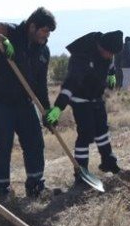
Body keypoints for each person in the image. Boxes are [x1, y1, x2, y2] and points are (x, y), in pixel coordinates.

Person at [0, 7, 55, 199]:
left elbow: (40, 85)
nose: (46, 36)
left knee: (35, 141)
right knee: (3, 144)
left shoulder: (43, 50)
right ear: (33, 26)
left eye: (49, 33)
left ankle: (36, 185)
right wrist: (0, 39)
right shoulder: (9, 30)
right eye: (44, 31)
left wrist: (47, 111)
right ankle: (0, 190)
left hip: (24, 102)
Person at [45, 31, 124, 181]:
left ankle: (108, 161)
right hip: (80, 99)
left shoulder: (107, 52)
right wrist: (58, 107)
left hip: (96, 97)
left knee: (102, 130)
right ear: (101, 47)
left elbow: (110, 62)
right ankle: (81, 171)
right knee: (86, 134)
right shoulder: (81, 57)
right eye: (109, 53)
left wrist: (111, 73)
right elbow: (70, 84)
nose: (110, 57)